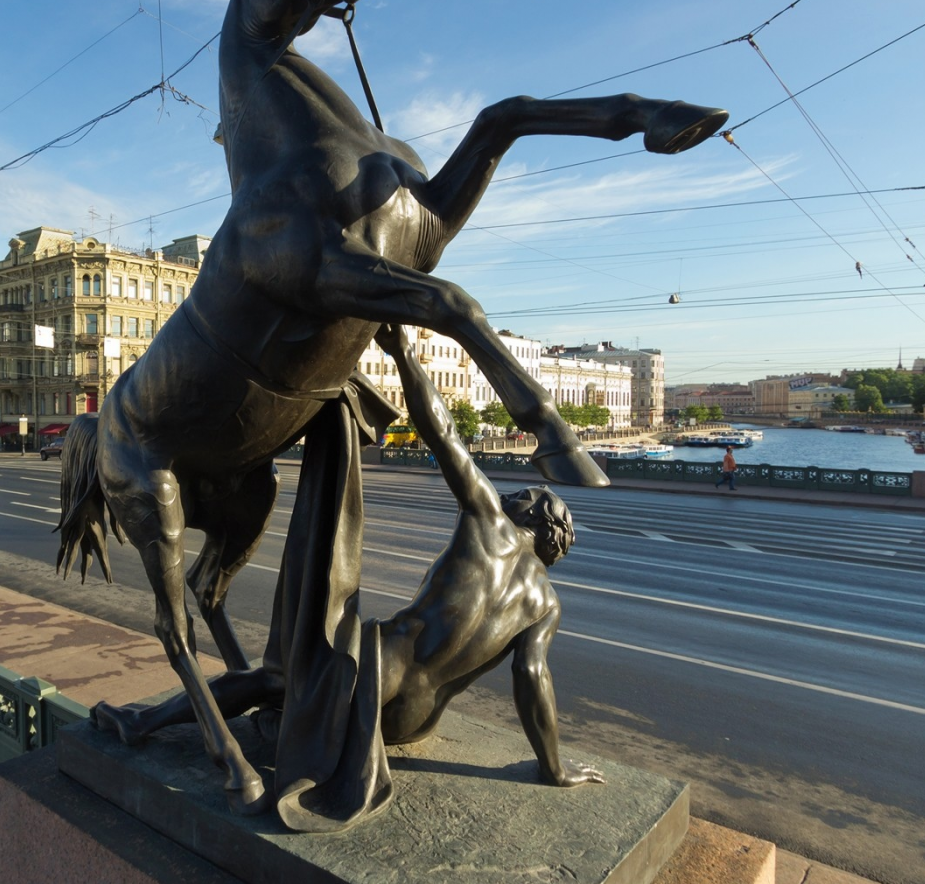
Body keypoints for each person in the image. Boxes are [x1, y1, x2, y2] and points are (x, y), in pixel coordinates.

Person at [92, 324, 603, 789]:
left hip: (377, 675)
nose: (515, 495)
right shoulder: (545, 606)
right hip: (411, 723)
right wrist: (553, 768)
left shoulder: (491, 523)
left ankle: (144, 722)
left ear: (537, 514)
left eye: (525, 495)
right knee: (286, 690)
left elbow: (443, 435)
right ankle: (283, 721)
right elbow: (532, 678)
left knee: (268, 680)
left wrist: (404, 354)